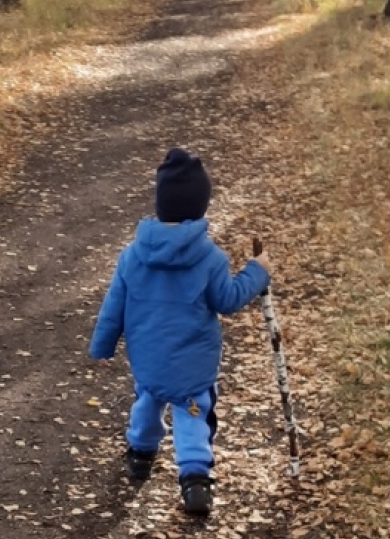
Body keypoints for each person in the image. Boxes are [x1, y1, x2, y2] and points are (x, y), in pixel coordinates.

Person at [89, 148, 271, 518]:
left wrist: (103, 346)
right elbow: (229, 300)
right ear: (201, 207)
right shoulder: (210, 257)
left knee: (148, 401)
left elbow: (114, 305)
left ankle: (140, 455)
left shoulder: (133, 255)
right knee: (192, 414)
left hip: (149, 361)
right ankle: (195, 481)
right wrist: (258, 271)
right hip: (193, 365)